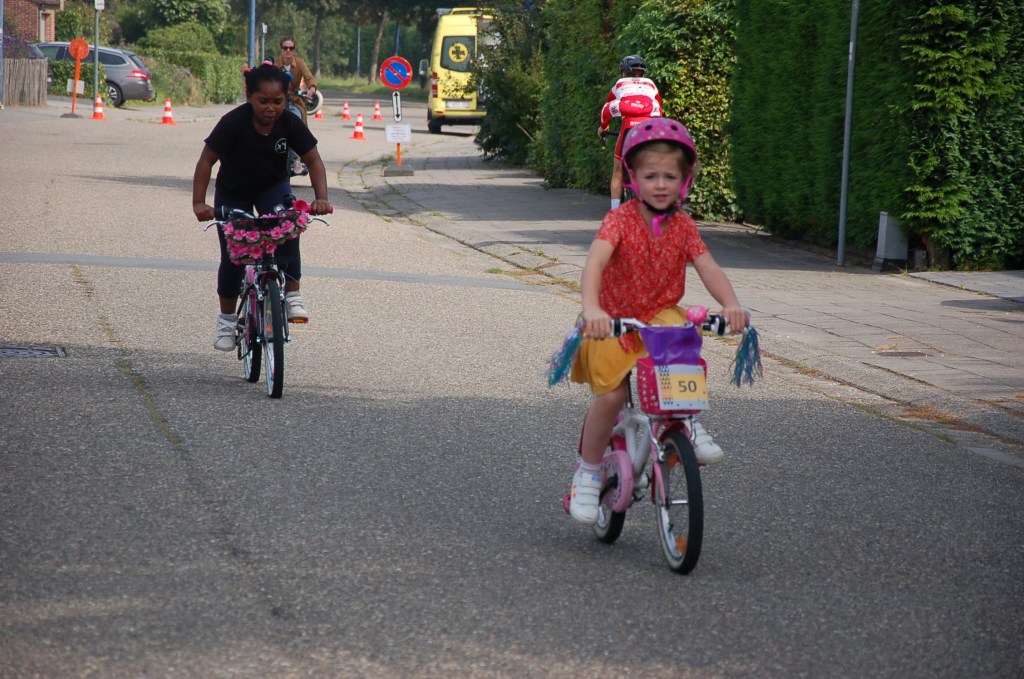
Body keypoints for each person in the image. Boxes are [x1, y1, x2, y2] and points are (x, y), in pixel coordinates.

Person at [567, 117, 746, 525]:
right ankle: (588, 473)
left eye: (670, 176)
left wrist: (731, 304)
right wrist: (592, 309)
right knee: (611, 397)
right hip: (612, 317)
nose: (661, 184)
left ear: (685, 180)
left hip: (660, 314)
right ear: (633, 178)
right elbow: (595, 263)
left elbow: (708, 267)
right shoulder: (620, 221)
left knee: (680, 359)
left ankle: (687, 423)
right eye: (651, 176)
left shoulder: (683, 226)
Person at [192, 63, 333, 352]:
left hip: (272, 187)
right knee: (233, 256)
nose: (271, 108)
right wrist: (199, 202)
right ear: (249, 97)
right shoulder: (233, 122)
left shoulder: (289, 123)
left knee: (288, 224)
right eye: (263, 101)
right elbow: (206, 161)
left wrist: (321, 198)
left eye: (278, 102)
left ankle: (292, 294)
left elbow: (314, 160)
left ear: (286, 99)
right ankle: (226, 321)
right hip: (234, 192)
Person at [598, 55, 663, 210]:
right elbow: (660, 108)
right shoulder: (651, 85)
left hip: (628, 127)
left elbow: (607, 107)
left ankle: (615, 212)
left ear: (624, 72)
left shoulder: (619, 84)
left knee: (618, 172)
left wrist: (603, 127)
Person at [273, 37, 318, 176]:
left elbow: (309, 77)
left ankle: (296, 161)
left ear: (294, 50)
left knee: (297, 125)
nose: (288, 51)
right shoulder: (275, 64)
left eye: (291, 48)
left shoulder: (299, 63)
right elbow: (266, 77)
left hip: (293, 101)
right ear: (281, 49)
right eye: (285, 48)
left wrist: (312, 88)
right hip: (276, 102)